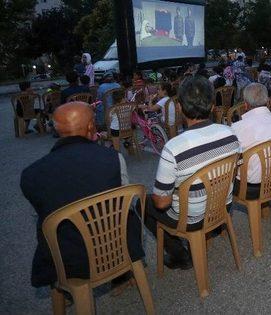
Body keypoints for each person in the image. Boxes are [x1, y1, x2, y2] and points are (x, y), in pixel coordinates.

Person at [20, 102, 141, 290]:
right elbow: (128, 202)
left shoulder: (31, 175)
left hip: (66, 260)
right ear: (91, 126)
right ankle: (122, 275)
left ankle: (65, 292)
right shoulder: (112, 158)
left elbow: (43, 217)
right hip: (116, 247)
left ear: (56, 129)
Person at [143, 76, 241, 269]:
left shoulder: (173, 148)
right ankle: (211, 231)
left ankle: (180, 255)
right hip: (222, 206)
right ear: (213, 106)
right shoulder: (230, 134)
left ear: (179, 107)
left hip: (192, 217)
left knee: (143, 202)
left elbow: (162, 202)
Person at [231, 83, 271, 199]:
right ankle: (265, 209)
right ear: (268, 102)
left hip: (250, 187)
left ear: (245, 105)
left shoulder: (237, 128)